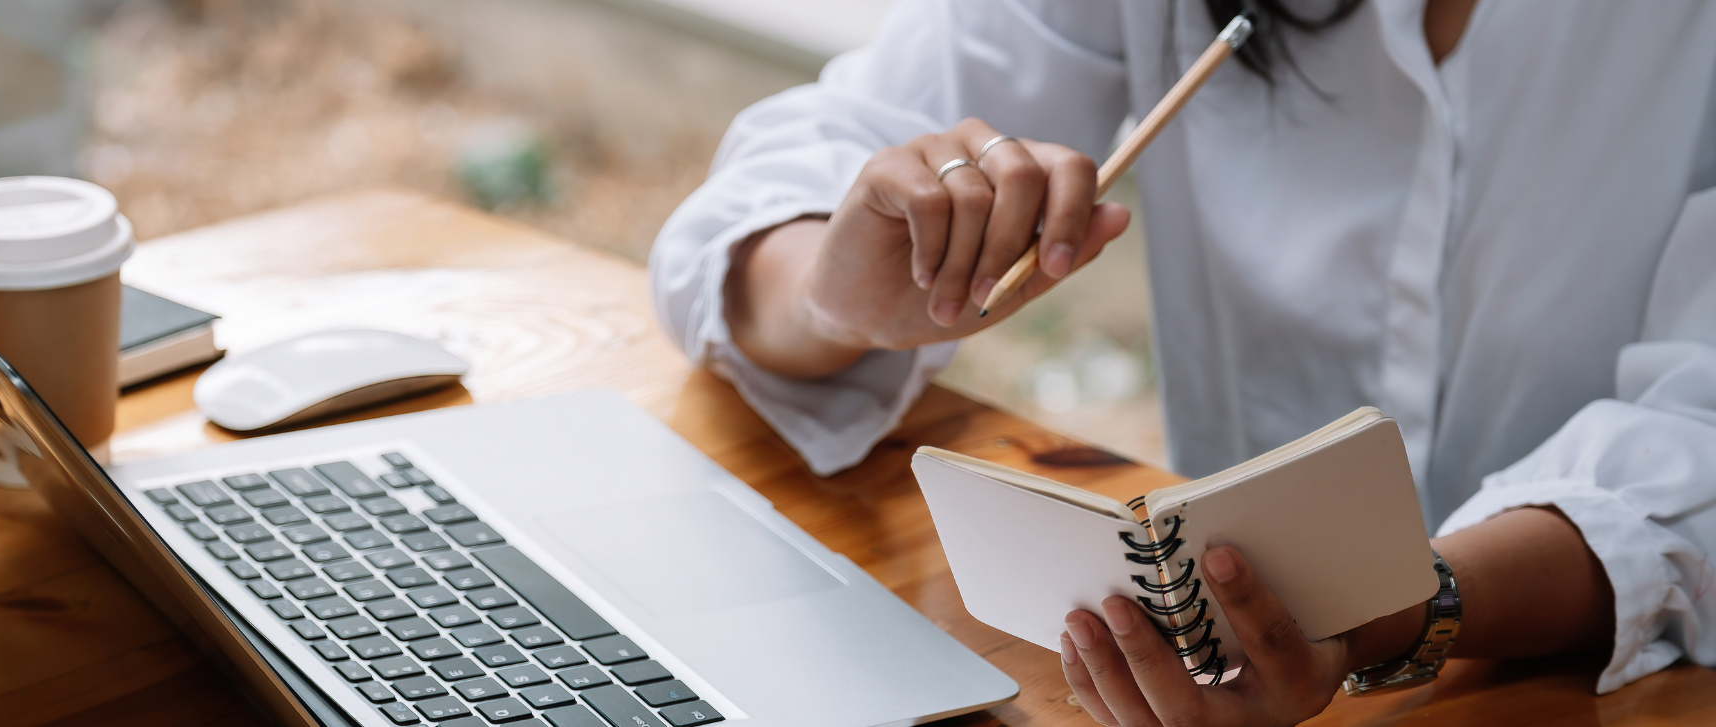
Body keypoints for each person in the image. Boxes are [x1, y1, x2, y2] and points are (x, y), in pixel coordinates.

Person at [648, 0, 1716, 724]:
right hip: (1206, 660)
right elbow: (822, 155)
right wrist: (833, 289)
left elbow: (1699, 431)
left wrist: (1388, 611)